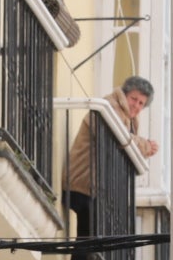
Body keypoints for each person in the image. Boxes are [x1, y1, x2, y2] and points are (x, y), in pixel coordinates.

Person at [65, 75, 158, 235]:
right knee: (89, 236)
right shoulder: (110, 106)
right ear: (125, 94)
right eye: (133, 99)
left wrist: (145, 148)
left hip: (95, 187)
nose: (136, 105)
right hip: (82, 182)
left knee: (92, 236)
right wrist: (145, 146)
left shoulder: (129, 119)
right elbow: (119, 138)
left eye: (141, 103)